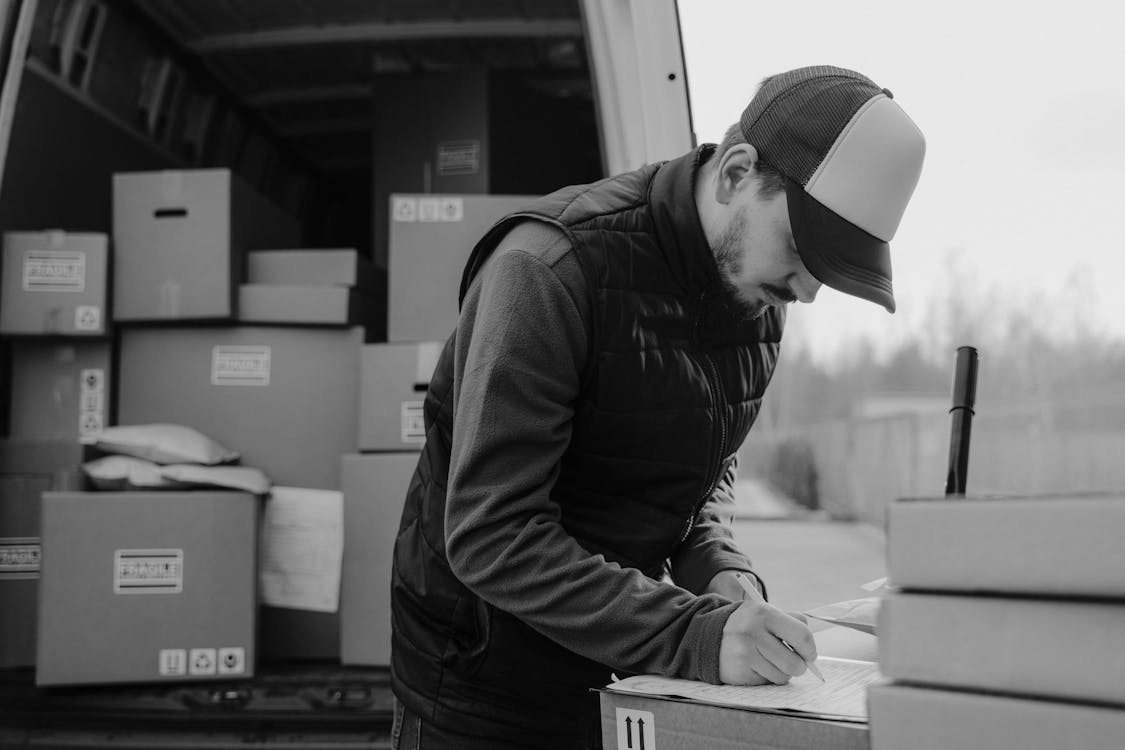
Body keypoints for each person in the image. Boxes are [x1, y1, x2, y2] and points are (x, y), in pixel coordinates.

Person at [389, 64, 925, 749]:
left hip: (625, 669)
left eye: (829, 269)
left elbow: (698, 476)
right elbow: (493, 532)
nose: (808, 290)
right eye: (801, 250)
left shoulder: (758, 297)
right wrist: (693, 633)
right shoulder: (550, 270)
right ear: (736, 173)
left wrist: (722, 572)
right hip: (479, 689)